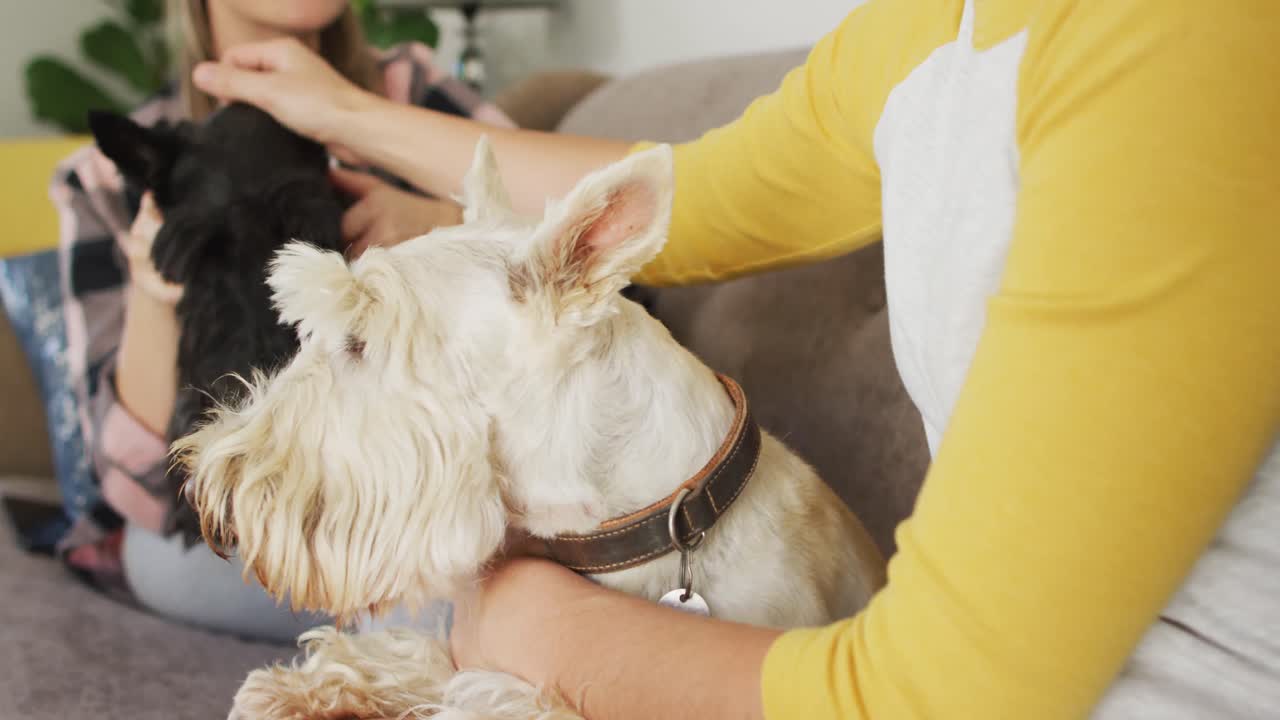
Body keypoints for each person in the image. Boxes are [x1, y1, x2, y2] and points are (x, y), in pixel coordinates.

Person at [190, 0, 1278, 716]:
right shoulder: (931, 29)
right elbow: (693, 194)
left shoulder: (1181, 36)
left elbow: (939, 697)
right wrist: (341, 111)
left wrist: (543, 629)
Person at [50, 0, 514, 641]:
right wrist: (156, 287)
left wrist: (443, 222)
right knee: (448, 610)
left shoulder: (412, 94)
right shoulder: (105, 176)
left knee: (468, 596)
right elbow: (138, 489)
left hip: (420, 501)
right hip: (216, 536)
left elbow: (596, 261)